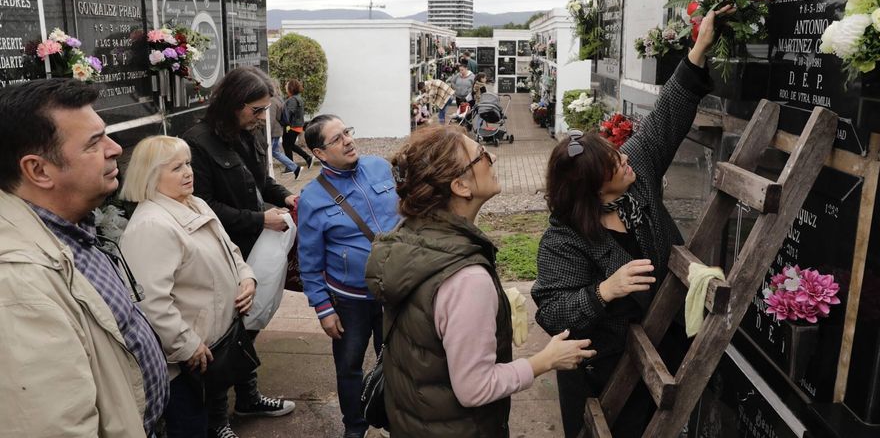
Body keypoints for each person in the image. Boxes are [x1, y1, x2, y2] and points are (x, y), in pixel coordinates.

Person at [530, 6, 732, 437]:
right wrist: (605, 290)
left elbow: (664, 121)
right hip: (605, 377)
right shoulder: (563, 240)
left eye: (618, 153)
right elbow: (552, 311)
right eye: (614, 163)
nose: (626, 158)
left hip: (666, 346)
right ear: (593, 188)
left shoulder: (635, 184)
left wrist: (698, 49)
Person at [365, 125, 596, 437]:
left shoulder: (413, 237)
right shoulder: (467, 279)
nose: (494, 156)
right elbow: (474, 388)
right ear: (460, 185)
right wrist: (545, 360)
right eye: (482, 155)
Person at [0, 78, 167, 437]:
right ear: (39, 170)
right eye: (94, 143)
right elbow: (54, 427)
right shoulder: (17, 283)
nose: (116, 149)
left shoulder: (67, 228)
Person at [119, 136, 258, 438]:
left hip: (213, 347)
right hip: (184, 364)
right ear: (151, 175)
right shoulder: (151, 226)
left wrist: (246, 277)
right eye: (176, 168)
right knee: (190, 426)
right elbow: (151, 302)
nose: (188, 172)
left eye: (188, 164)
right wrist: (186, 344)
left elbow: (230, 251)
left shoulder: (197, 203)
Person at [182, 66, 295, 438]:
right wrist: (260, 219)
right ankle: (217, 420)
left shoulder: (247, 133)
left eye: (265, 110)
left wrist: (285, 196)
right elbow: (204, 205)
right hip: (221, 251)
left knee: (248, 327)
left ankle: (248, 396)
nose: (262, 118)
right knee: (224, 334)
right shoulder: (198, 142)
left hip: (253, 247)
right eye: (256, 110)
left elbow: (262, 180)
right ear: (233, 103)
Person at [298, 114, 400, 438]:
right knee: (349, 368)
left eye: (347, 132)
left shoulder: (379, 167)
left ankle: (397, 419)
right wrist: (323, 310)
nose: (348, 140)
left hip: (396, 291)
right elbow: (309, 262)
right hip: (349, 300)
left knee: (400, 362)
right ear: (319, 153)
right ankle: (354, 427)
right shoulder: (312, 199)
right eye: (337, 139)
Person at [268, 79, 303, 178]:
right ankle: (295, 168)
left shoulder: (273, 101)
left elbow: (270, 119)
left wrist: (266, 133)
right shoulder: (280, 99)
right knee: (276, 151)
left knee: (274, 152)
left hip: (274, 132)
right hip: (279, 131)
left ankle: (295, 167)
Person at [281, 79, 314, 172]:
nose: (285, 87)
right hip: (297, 126)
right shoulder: (298, 98)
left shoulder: (292, 99)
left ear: (291, 88)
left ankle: (292, 165)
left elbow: (289, 113)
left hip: (291, 126)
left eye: (287, 86)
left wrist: (285, 123)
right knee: (289, 145)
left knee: (287, 144)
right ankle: (305, 159)